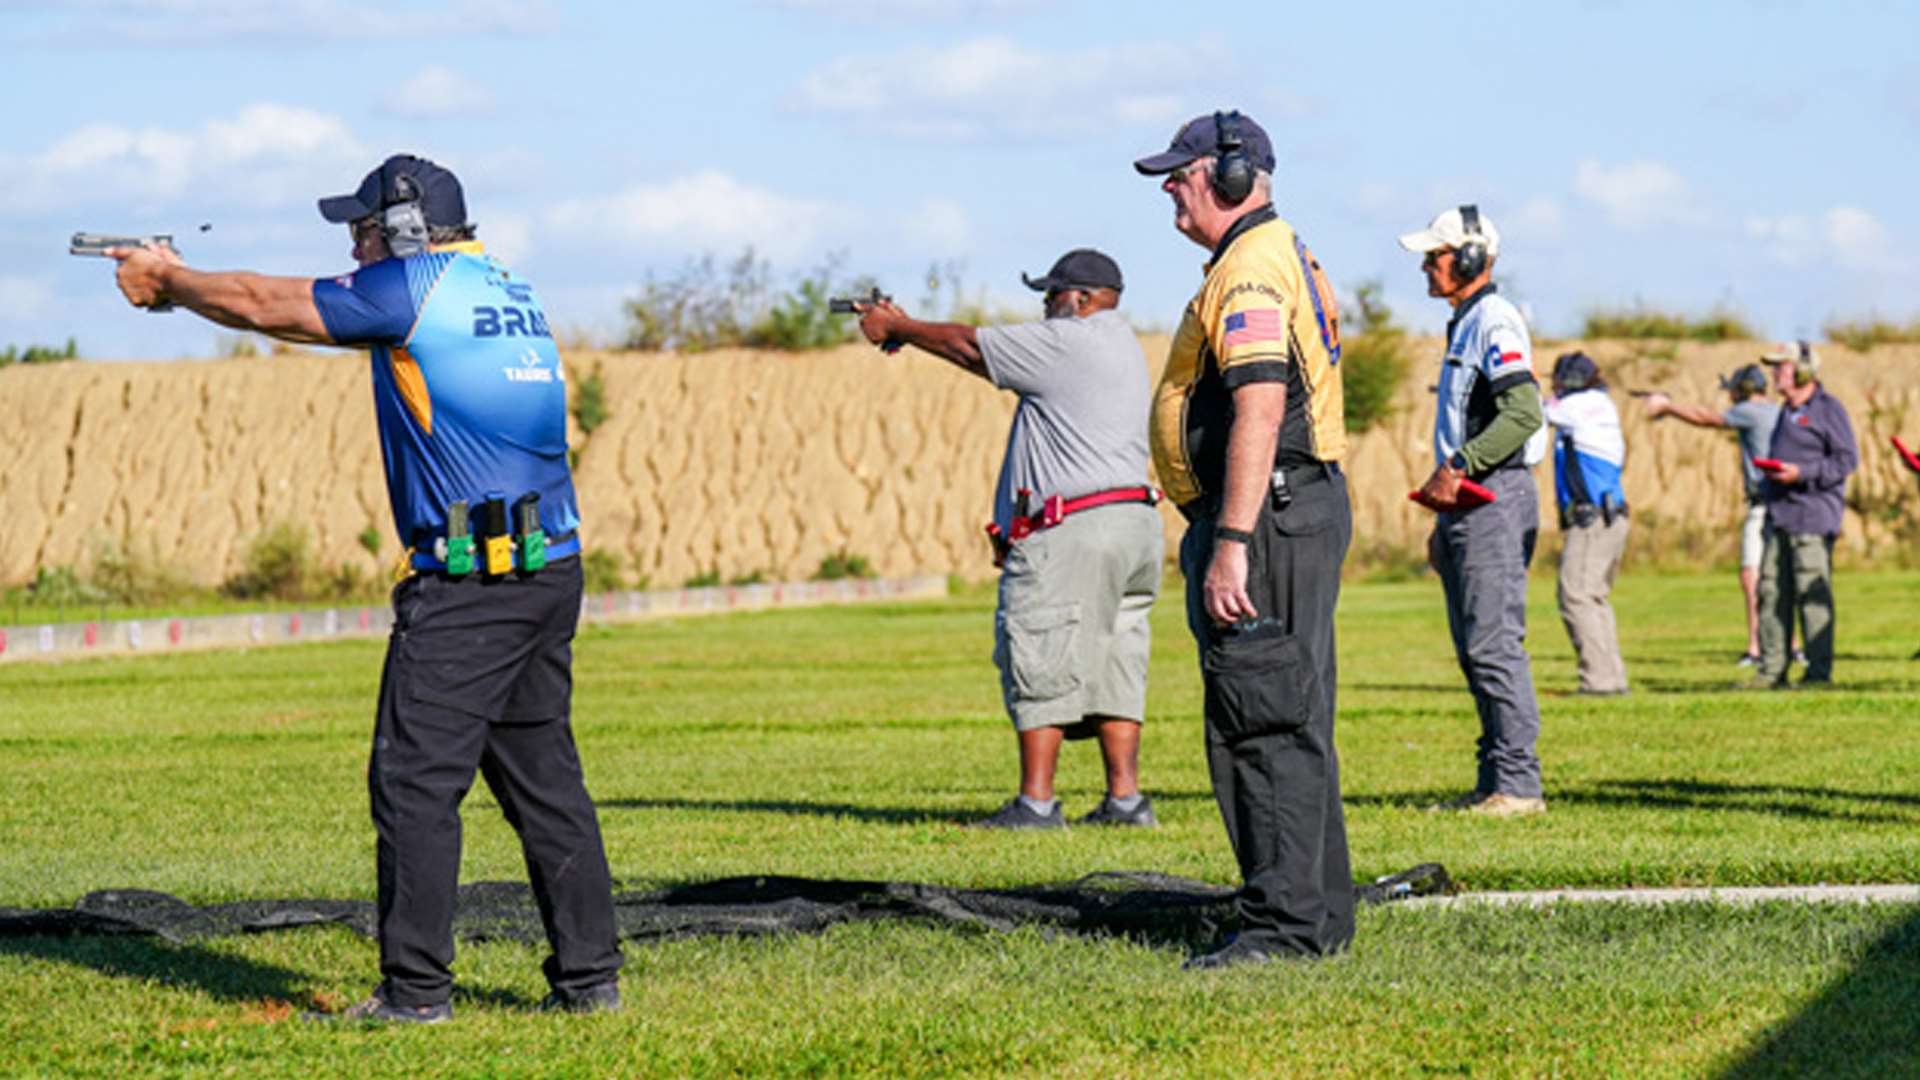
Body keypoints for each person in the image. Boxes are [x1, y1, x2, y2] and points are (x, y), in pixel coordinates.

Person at [106, 154, 624, 1022]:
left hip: (469, 586)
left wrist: (171, 280)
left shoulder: (414, 287)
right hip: (547, 569)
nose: (357, 241)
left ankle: (415, 994)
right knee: (545, 782)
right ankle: (589, 979)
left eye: (366, 225)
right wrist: (182, 281)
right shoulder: (507, 287)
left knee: (415, 784)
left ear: (411, 228)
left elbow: (270, 304)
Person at [1133, 110, 1354, 967]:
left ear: (1228, 176)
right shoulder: (1276, 251)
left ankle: (1282, 927)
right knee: (1292, 716)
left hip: (1264, 519)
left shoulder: (1252, 269)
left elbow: (1261, 402)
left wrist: (1230, 536)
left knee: (1259, 721)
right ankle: (1315, 916)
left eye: (1181, 173)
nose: (1169, 189)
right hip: (1288, 508)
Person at [854, 249, 1163, 829]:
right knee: (1118, 659)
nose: (1045, 309)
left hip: (1073, 530)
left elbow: (971, 347)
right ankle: (1125, 801)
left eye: (1050, 297)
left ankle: (1037, 804)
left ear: (1080, 298)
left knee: (1039, 646)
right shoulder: (1121, 343)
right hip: (1131, 527)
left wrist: (898, 328)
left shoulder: (1071, 340)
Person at [1399, 205, 1550, 817]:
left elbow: (1522, 414)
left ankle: (1518, 786)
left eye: (1434, 255)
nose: (1425, 266)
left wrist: (1458, 467)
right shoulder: (1465, 322)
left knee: (1493, 645)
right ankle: (1495, 780)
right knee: (1474, 646)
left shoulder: (1495, 321)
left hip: (1494, 493)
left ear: (1468, 258)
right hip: (1470, 502)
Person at [1641, 363, 1783, 665]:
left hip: (1763, 505)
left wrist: (1668, 407)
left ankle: (1757, 647)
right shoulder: (1774, 410)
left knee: (1752, 574)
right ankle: (1788, 645)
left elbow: (1707, 418)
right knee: (1779, 576)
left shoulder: (1751, 411)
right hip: (1777, 503)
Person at [1742, 341, 1858, 688]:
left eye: (1782, 366)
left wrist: (1800, 473)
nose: (1775, 373)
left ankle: (1818, 672)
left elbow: (1845, 460)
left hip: (1812, 517)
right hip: (1780, 514)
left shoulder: (1827, 409)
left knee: (1812, 594)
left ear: (1804, 371)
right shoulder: (1785, 412)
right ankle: (1771, 670)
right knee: (1772, 594)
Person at [1544, 352, 1629, 695]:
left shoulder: (1580, 406)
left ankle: (1598, 681)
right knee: (1594, 598)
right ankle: (1612, 678)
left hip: (1593, 519)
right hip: (1608, 516)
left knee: (1575, 596)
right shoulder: (1598, 403)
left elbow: (1534, 412)